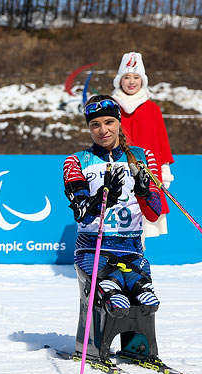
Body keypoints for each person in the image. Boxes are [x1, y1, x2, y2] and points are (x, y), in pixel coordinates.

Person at [63, 95, 162, 358]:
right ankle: (97, 342)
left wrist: (143, 190)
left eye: (109, 122)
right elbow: (82, 215)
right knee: (110, 287)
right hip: (93, 249)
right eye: (95, 124)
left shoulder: (142, 156)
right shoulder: (76, 161)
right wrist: (102, 197)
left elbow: (154, 213)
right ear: (88, 128)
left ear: (119, 122)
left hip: (131, 248)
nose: (103, 130)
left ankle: (138, 346)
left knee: (143, 290)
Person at [112, 51, 174, 240]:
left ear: (142, 80)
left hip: (147, 171)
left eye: (136, 77)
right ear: (119, 80)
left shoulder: (152, 109)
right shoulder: (112, 106)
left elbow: (161, 142)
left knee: (145, 222)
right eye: (127, 77)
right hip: (118, 170)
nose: (131, 81)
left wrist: (164, 170)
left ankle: (136, 260)